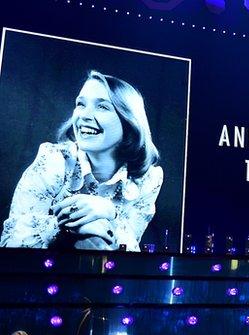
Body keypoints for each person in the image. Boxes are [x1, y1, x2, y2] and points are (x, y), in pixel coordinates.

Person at [0, 70, 163, 251]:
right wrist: (72, 226)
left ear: (130, 121)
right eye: (80, 104)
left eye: (102, 106)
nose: (84, 115)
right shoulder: (53, 159)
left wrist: (109, 211)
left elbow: (131, 250)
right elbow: (11, 242)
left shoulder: (149, 179)